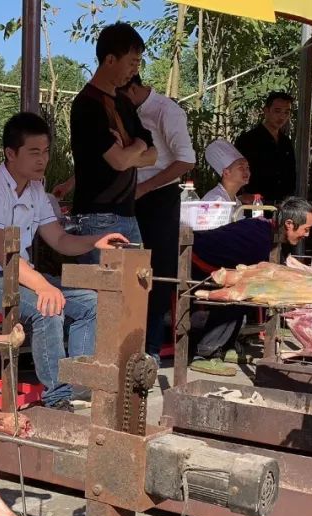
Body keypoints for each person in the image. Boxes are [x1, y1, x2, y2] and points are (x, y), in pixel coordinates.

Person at [0, 112, 129, 410]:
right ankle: (56, 398)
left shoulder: (37, 190)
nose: (42, 159)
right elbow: (3, 255)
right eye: (34, 152)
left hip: (19, 274)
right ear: (10, 153)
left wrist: (94, 242)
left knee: (90, 303)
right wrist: (42, 286)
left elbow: (59, 239)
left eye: (46, 151)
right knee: (47, 308)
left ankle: (80, 384)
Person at [116, 74, 196, 362]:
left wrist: (145, 188)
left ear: (133, 86)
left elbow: (186, 160)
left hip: (159, 196)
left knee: (156, 273)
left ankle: (149, 348)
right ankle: (123, 343)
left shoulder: (166, 111)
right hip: (127, 194)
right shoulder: (124, 111)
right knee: (124, 269)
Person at [188, 198, 312, 376]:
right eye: (306, 229)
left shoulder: (271, 232)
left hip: (222, 265)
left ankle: (227, 346)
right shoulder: (260, 238)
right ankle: (205, 354)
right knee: (238, 296)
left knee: (245, 295)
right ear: (289, 224)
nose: (307, 235)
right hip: (199, 261)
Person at [66, 22, 156, 264]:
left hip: (127, 212)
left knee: (136, 289)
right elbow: (117, 161)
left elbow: (152, 153)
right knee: (103, 294)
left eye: (138, 63)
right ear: (110, 60)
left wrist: (130, 149)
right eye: (132, 62)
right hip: (97, 216)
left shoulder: (124, 103)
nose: (135, 70)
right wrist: (134, 149)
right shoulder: (88, 104)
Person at [234, 92, 296, 203]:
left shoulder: (286, 142)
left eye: (286, 112)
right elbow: (234, 172)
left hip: (281, 205)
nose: (282, 116)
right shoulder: (248, 140)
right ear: (266, 111)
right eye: (277, 111)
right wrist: (241, 195)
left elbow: (291, 176)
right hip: (254, 205)